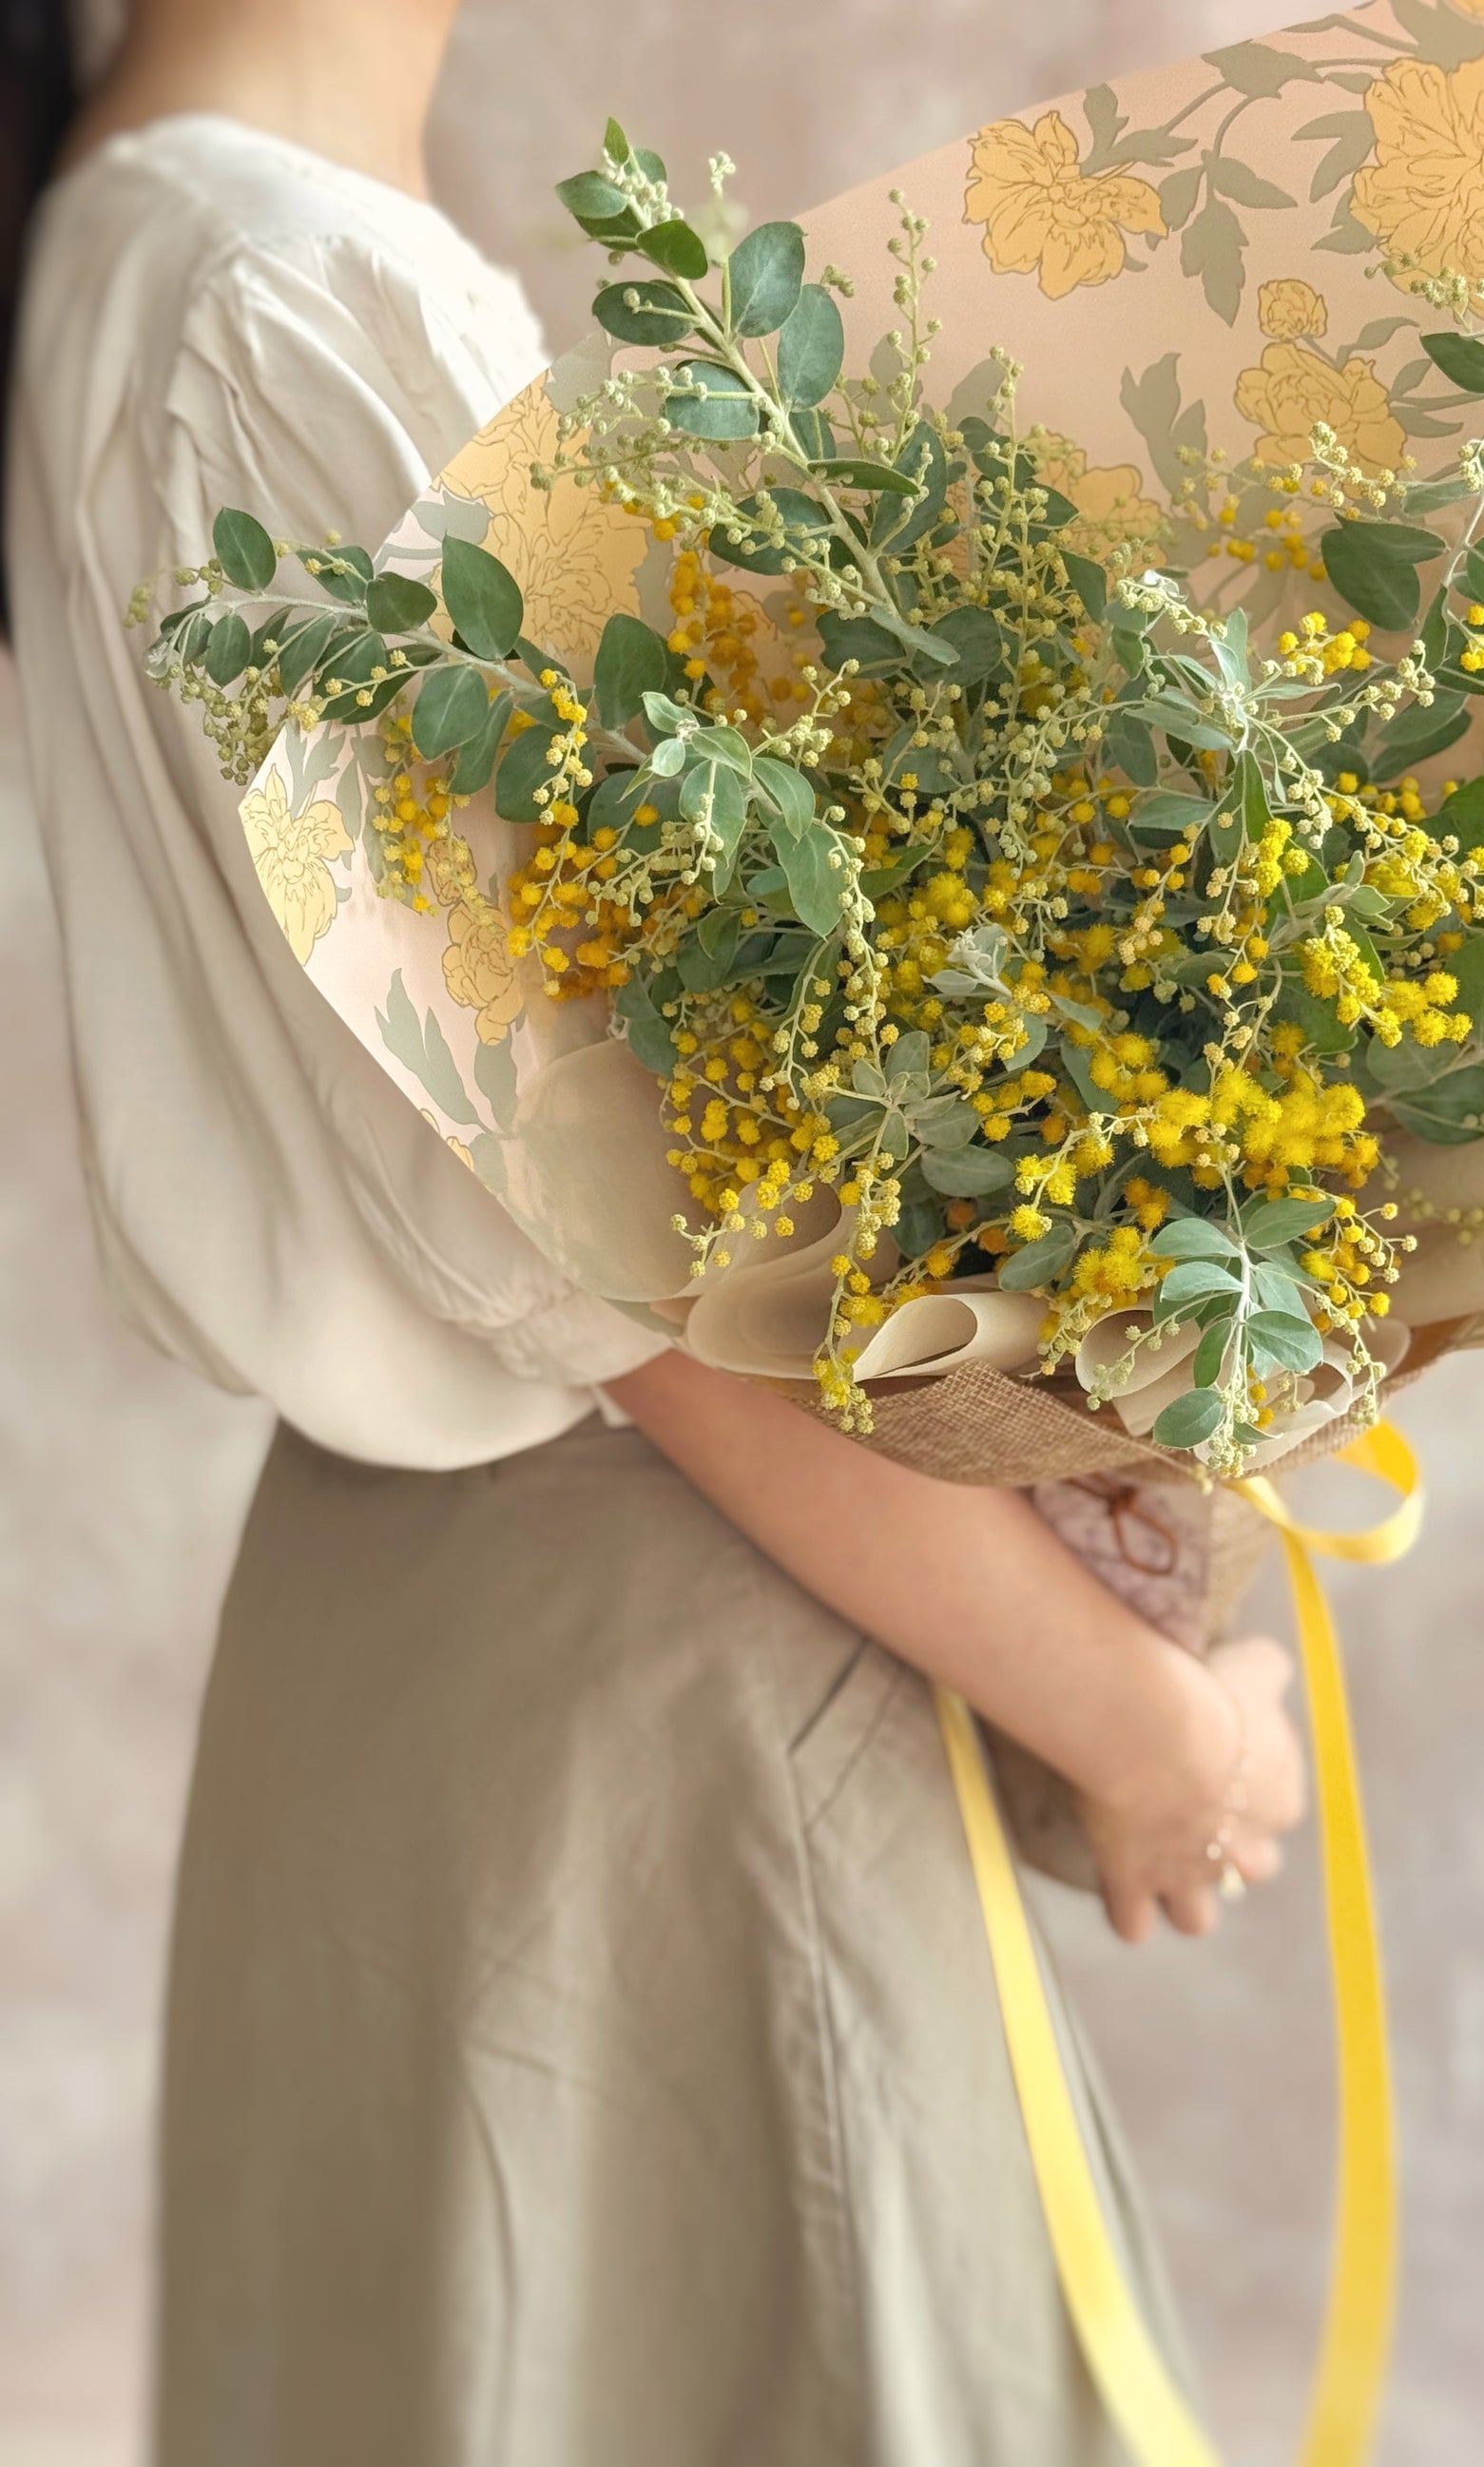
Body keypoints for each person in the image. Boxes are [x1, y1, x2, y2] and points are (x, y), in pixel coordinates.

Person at [4, 3, 1307, 2460]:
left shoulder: (174, 243)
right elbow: (614, 1269)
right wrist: (1138, 1722)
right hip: (661, 1681)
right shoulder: (271, 296)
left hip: (468, 1667)